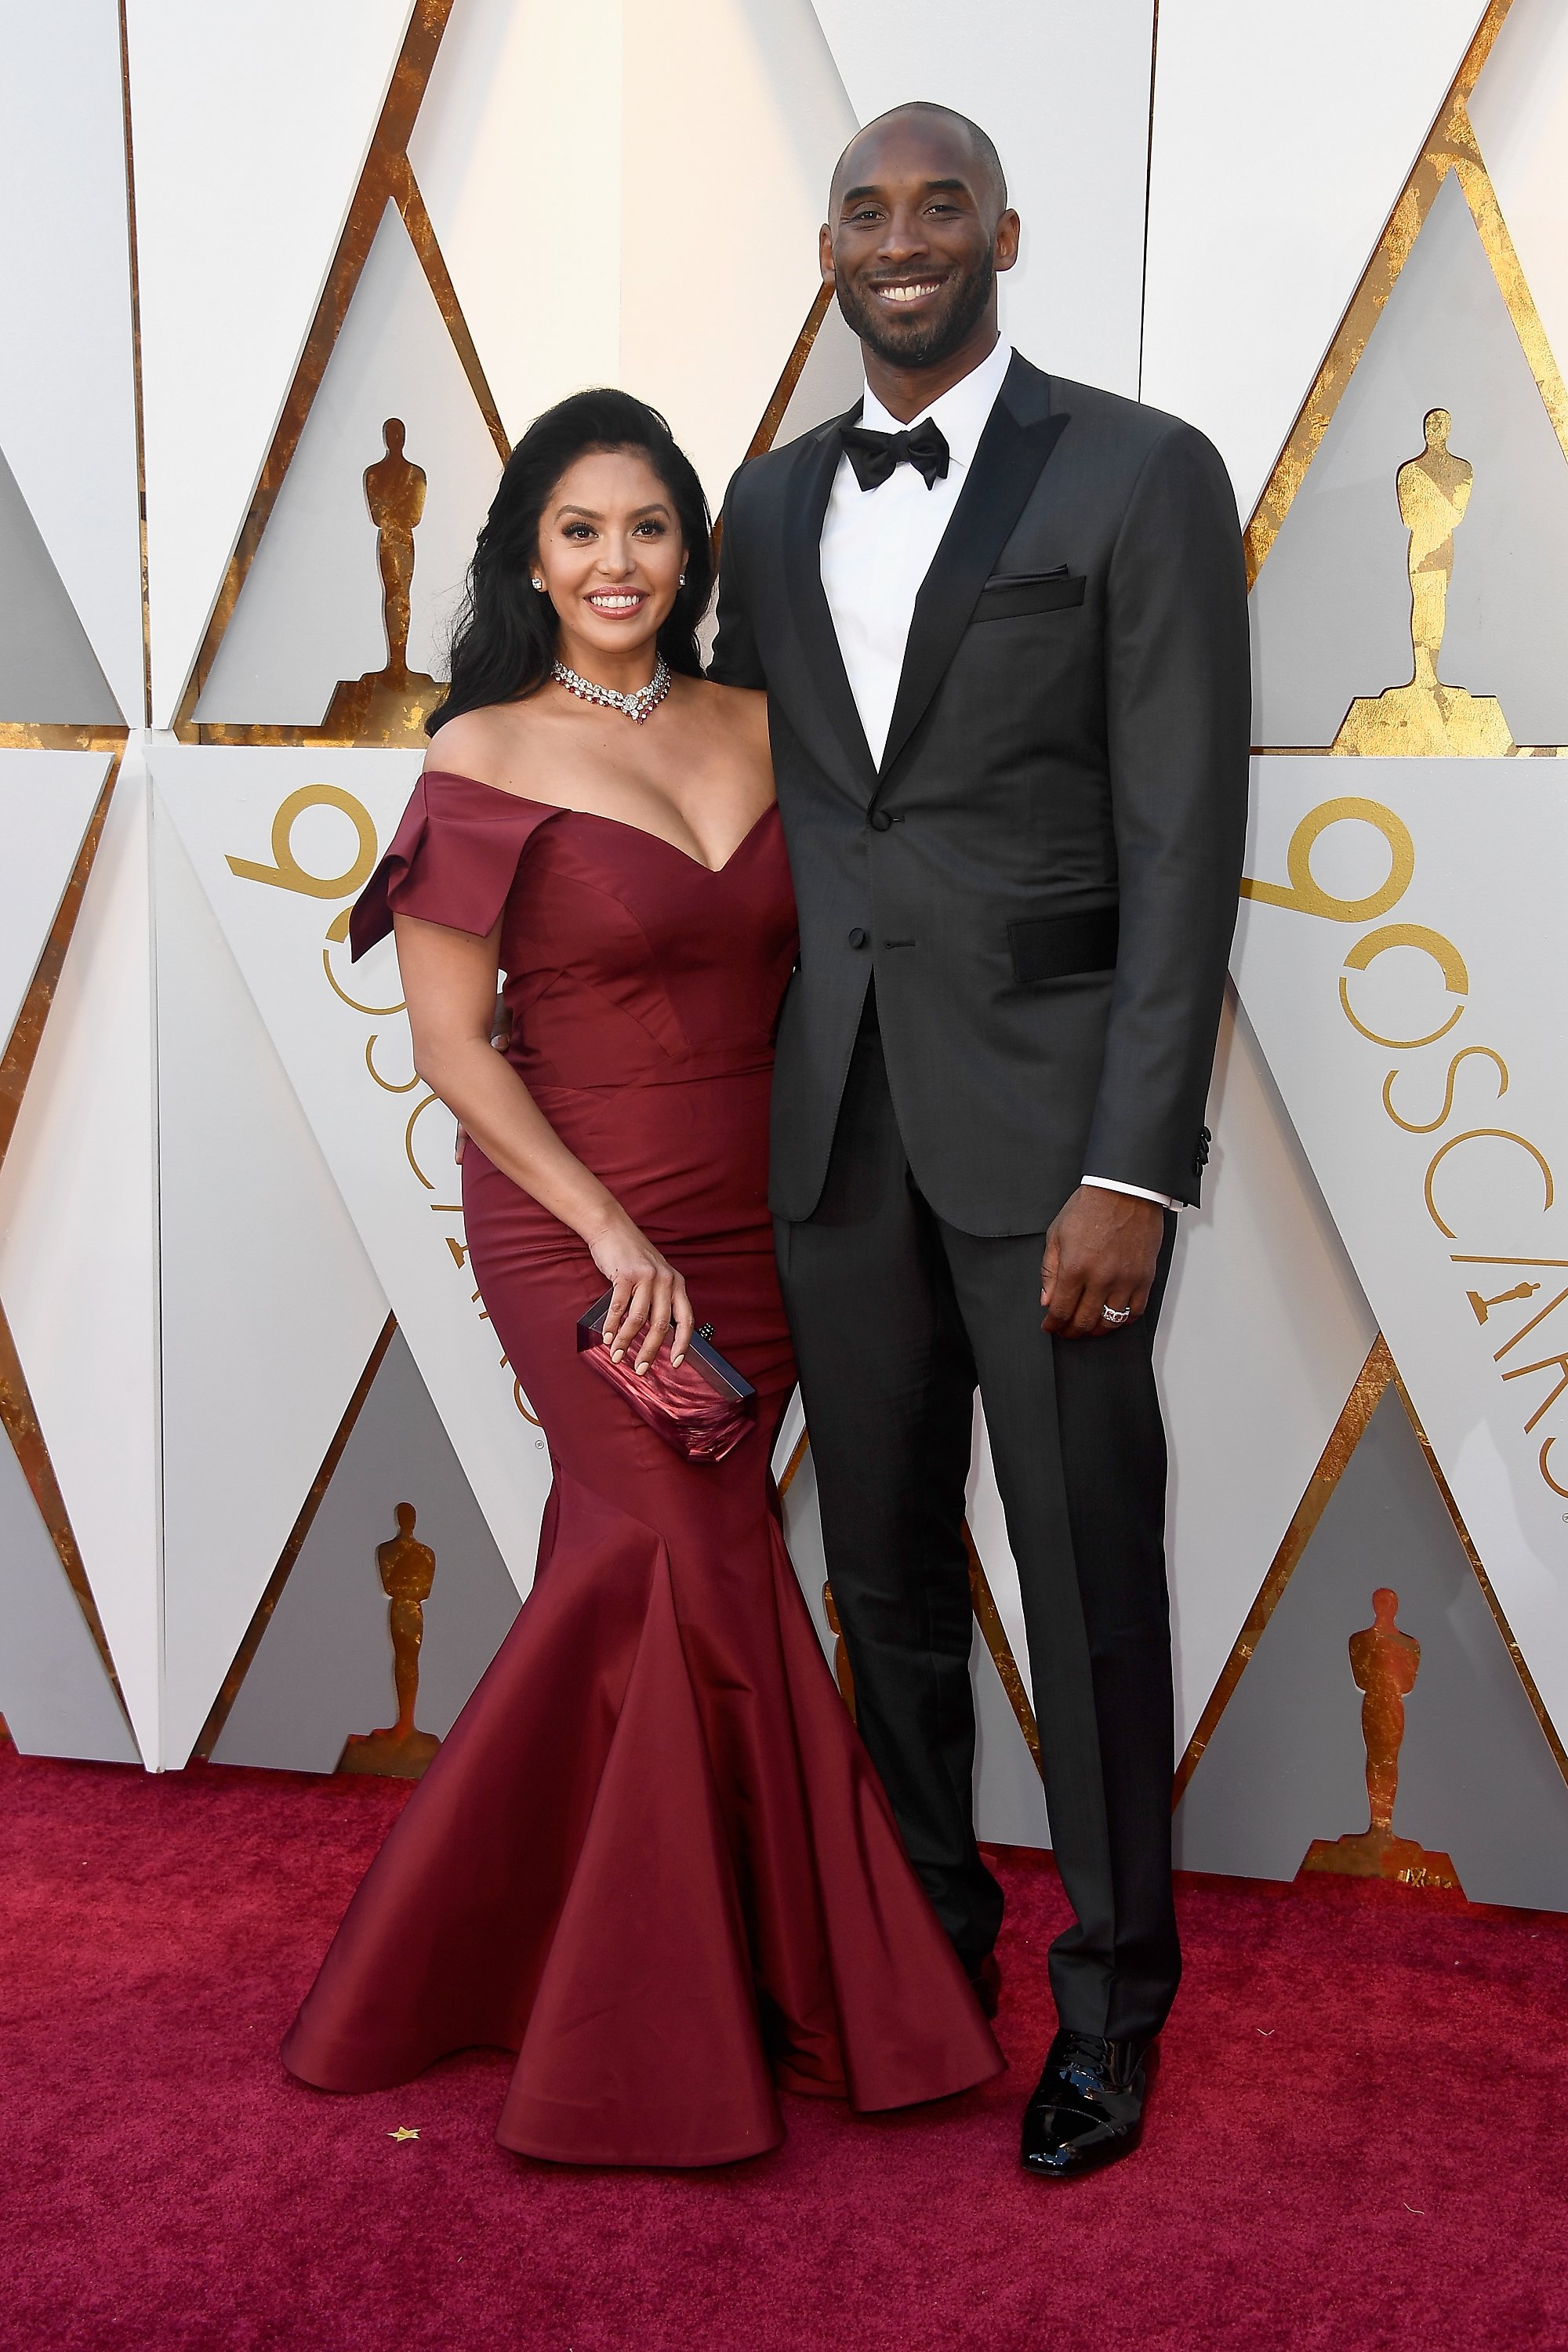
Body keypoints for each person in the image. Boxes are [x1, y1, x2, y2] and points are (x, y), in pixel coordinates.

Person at [281, 388, 1001, 2167]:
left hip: (769, 1219)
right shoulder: (479, 754)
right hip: (577, 1223)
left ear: (694, 550)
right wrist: (606, 1234)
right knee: (680, 1550)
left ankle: (565, 1955)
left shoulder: (771, 726)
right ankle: (703, 2015)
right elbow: (453, 1046)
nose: (618, 562)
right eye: (581, 530)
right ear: (529, 554)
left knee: (671, 1574)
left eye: (650, 527)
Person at [709, 104, 1250, 2178]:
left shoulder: (1139, 472)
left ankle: (1114, 2008)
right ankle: (922, 1947)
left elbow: (1185, 842)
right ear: (829, 247)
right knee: (886, 1582)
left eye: (944, 206)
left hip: (1056, 1151)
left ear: (1004, 232)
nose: (907, 240)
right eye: (870, 210)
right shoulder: (762, 507)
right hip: (833, 1126)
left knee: (1090, 1577)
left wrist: (1138, 1166)